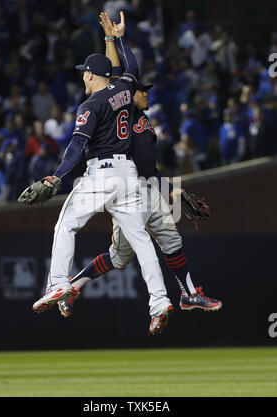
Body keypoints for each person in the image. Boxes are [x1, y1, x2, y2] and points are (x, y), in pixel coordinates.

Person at [58, 12, 222, 320]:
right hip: (128, 188)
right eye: (140, 89)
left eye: (145, 89)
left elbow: (150, 165)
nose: (145, 92)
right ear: (127, 94)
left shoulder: (145, 121)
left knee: (171, 238)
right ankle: (73, 283)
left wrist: (170, 189)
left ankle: (188, 294)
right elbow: (117, 70)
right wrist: (113, 38)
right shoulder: (121, 112)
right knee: (120, 257)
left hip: (150, 187)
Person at [31, 11, 174, 336]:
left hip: (103, 173)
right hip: (128, 175)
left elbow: (76, 146)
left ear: (94, 75)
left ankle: (57, 284)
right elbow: (133, 69)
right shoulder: (124, 89)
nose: (83, 78)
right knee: (141, 240)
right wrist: (118, 37)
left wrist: (57, 176)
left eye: (85, 74)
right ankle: (160, 301)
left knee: (65, 224)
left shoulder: (90, 105)